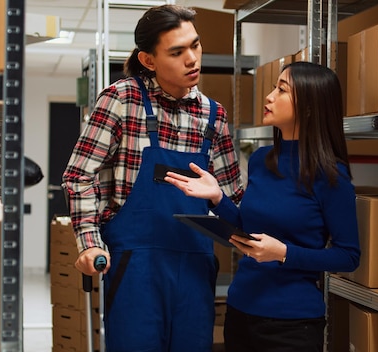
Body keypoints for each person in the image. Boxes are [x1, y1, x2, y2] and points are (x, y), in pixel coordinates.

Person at [62, 5, 244, 351]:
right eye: (177, 52)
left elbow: (235, 197)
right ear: (148, 60)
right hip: (135, 268)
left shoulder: (213, 116)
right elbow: (78, 175)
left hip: (194, 266)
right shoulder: (121, 100)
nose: (192, 59)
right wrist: (89, 242)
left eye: (196, 45)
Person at [164, 61, 361, 352]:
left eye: (281, 90)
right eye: (273, 87)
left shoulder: (331, 176)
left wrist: (284, 254)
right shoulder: (261, 159)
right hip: (241, 309)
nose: (269, 96)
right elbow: (247, 229)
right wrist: (217, 198)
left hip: (291, 325)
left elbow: (348, 256)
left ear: (309, 107)